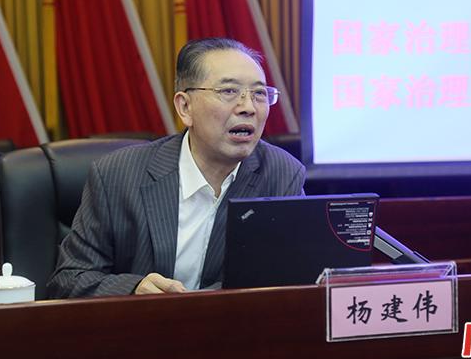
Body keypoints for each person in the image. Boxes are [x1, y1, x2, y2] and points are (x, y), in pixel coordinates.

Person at [47, 37, 305, 298]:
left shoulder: (282, 174)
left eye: (259, 94)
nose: (248, 107)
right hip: (142, 322)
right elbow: (69, 279)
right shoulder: (117, 175)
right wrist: (133, 290)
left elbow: (293, 277)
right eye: (228, 91)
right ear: (185, 107)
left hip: (231, 323)